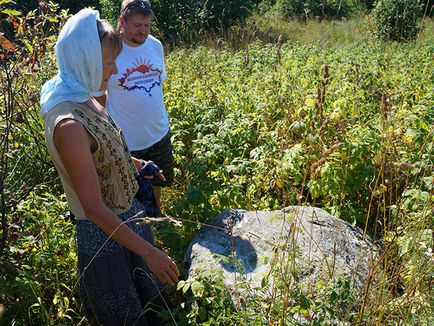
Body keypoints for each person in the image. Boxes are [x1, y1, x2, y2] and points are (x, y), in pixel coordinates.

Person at [40, 8, 179, 325]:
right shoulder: (69, 125)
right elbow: (93, 207)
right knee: (125, 314)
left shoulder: (82, 93)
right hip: (105, 236)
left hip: (128, 215)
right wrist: (149, 252)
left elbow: (104, 147)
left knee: (150, 305)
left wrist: (137, 163)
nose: (115, 70)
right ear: (84, 60)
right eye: (108, 62)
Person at [95, 0, 174, 211]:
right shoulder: (111, 50)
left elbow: (158, 84)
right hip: (129, 142)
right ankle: (141, 230)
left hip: (158, 133)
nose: (143, 31)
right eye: (138, 25)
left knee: (158, 181)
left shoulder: (155, 45)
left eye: (147, 25)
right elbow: (99, 98)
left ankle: (157, 220)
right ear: (122, 21)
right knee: (132, 190)